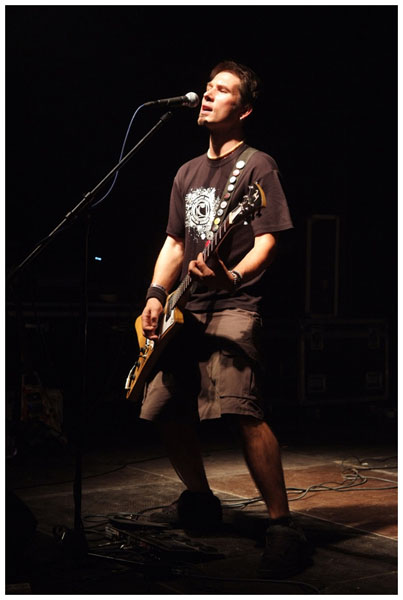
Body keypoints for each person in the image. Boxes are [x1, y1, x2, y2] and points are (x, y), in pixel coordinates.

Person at [139, 60, 310, 578]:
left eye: (223, 90)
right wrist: (155, 294)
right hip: (184, 309)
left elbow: (267, 241)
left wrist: (230, 277)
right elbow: (174, 242)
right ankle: (200, 499)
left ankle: (282, 526)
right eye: (208, 87)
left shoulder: (258, 166)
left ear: (245, 109)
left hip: (234, 304)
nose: (208, 95)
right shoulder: (186, 172)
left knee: (241, 409)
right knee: (164, 406)